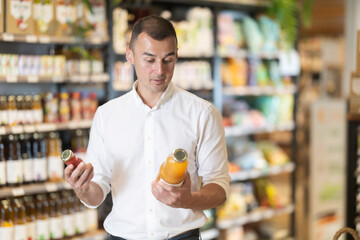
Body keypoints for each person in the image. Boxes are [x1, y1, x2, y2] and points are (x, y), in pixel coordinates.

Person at [64, 15, 230, 240]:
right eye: (149, 60)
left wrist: (188, 200)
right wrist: (82, 188)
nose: (159, 70)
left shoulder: (203, 113)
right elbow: (97, 193)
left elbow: (219, 189)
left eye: (168, 60)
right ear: (130, 55)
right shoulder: (107, 116)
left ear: (177, 56)